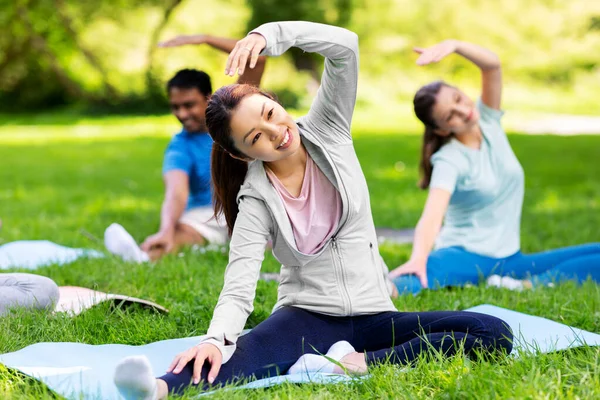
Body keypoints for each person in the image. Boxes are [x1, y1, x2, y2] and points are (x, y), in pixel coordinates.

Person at [112, 22, 513, 399]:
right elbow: (239, 284)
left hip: (375, 314)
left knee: (492, 332)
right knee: (243, 356)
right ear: (241, 153)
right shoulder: (254, 199)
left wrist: (269, 34)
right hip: (306, 315)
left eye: (270, 115)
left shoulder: (329, 129)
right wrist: (216, 339)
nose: (276, 133)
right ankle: (157, 390)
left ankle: (351, 364)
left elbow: (345, 48)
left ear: (273, 102)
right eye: (257, 137)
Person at [389, 39, 600, 295]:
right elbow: (432, 215)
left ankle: (514, 281)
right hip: (466, 256)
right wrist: (419, 256)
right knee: (414, 277)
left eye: (458, 98)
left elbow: (492, 66)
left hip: (509, 258)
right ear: (442, 129)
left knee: (595, 255)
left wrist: (455, 45)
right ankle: (365, 291)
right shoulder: (449, 160)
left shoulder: (488, 120)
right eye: (450, 115)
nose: (462, 110)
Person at [104, 34, 267, 262]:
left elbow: (257, 59)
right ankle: (142, 257)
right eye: (175, 107)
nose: (181, 114)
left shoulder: (234, 115)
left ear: (209, 99)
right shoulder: (179, 146)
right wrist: (166, 229)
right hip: (209, 215)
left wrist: (203, 38)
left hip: (254, 204)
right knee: (179, 234)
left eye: (188, 105)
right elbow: (176, 192)